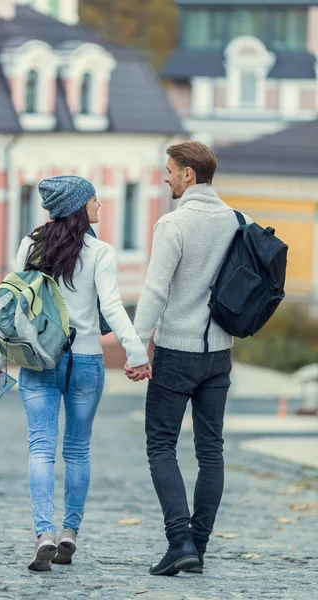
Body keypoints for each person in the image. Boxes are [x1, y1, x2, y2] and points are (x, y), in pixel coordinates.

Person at [0, 175, 152, 571]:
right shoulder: (101, 252)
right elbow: (111, 307)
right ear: (78, 206)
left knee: (40, 447)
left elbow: (10, 309)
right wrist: (137, 352)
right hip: (85, 362)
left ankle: (44, 533)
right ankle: (69, 532)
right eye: (94, 201)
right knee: (77, 450)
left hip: (37, 361)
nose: (99, 207)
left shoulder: (30, 245)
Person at [125, 141, 251, 576]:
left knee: (161, 445)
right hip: (219, 354)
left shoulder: (172, 224)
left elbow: (156, 290)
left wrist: (136, 347)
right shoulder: (240, 221)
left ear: (188, 175)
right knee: (210, 451)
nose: (166, 176)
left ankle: (180, 540)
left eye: (170, 170)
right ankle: (198, 545)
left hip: (177, 352)